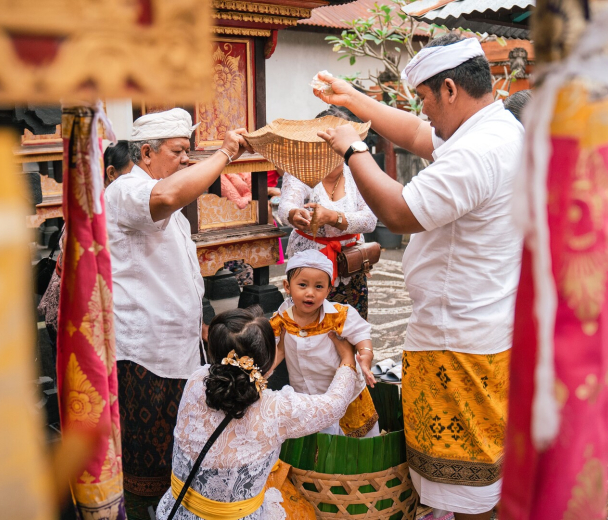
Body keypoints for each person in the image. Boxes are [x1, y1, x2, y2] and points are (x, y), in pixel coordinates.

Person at [313, 33, 524, 520]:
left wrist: (354, 149)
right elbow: (413, 133)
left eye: (427, 98)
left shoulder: (478, 151)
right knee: (476, 473)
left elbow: (399, 211)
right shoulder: (492, 128)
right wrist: (354, 99)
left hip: (460, 341)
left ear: (450, 89)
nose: (424, 110)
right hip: (480, 329)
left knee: (465, 484)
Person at [105, 108, 250, 497]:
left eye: (188, 150)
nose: (186, 159)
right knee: (147, 460)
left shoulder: (161, 202)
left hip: (177, 348)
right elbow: (168, 195)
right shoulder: (126, 190)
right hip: (144, 352)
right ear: (146, 153)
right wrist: (224, 155)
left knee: (177, 451)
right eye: (178, 150)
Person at [155, 306, 361, 519]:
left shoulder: (196, 381)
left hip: (176, 510)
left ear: (213, 352)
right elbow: (335, 405)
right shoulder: (275, 410)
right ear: (268, 361)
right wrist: (347, 358)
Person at [277, 105, 377, 320]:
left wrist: (332, 217)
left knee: (351, 326)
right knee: (310, 326)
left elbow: (370, 220)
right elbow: (286, 207)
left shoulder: (358, 172)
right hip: (309, 269)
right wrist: (295, 214)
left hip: (351, 263)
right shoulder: (299, 172)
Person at [270, 250, 379, 438]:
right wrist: (260, 374)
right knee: (319, 448)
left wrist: (366, 356)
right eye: (302, 285)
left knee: (356, 447)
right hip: (307, 398)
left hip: (346, 396)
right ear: (287, 286)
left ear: (329, 290)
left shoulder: (338, 315)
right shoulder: (282, 319)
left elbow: (361, 333)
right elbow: (277, 351)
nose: (310, 293)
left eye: (319, 287)